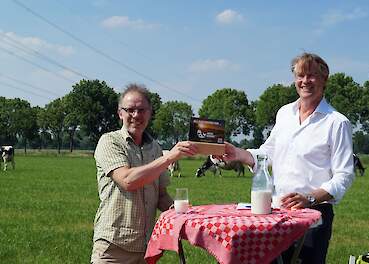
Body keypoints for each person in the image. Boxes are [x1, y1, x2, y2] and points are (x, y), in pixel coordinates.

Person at [223, 52, 355, 263]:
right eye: (300, 75)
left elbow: (344, 176)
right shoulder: (284, 113)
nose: (305, 81)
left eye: (311, 75)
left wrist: (310, 198)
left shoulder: (337, 123)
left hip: (314, 217)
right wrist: (238, 153)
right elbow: (268, 154)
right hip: (276, 213)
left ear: (324, 79)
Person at [91, 84, 197, 264]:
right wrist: (169, 157)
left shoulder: (154, 148)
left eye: (141, 110)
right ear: (120, 113)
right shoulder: (109, 142)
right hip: (113, 247)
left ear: (149, 113)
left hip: (146, 246)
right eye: (130, 110)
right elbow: (128, 180)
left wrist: (186, 216)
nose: (136, 115)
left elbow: (161, 195)